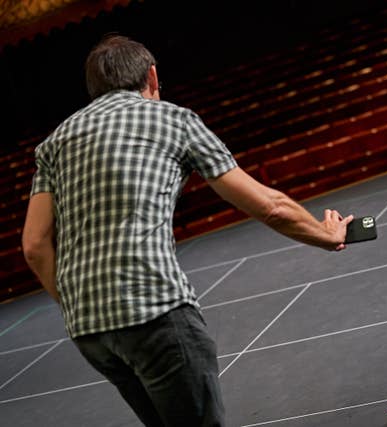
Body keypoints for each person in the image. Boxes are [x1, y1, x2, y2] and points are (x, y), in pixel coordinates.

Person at [21, 35, 353, 427]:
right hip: (152, 311)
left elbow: (34, 245)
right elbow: (270, 207)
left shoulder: (54, 143)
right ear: (153, 76)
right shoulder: (174, 119)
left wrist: (77, 303)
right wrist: (325, 233)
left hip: (90, 331)